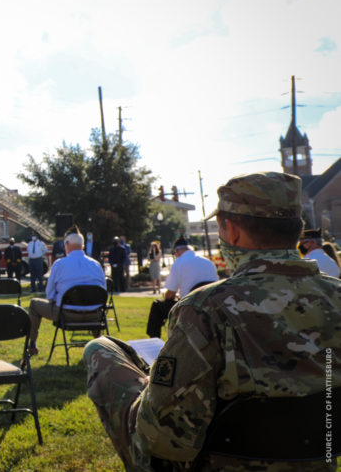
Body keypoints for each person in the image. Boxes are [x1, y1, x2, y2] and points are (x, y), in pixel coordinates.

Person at [84, 171, 341, 471]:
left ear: (230, 231)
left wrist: (148, 388)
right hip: (315, 462)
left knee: (100, 350)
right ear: (296, 231)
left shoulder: (205, 308)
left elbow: (162, 440)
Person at [26, 232, 106, 355]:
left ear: (67, 244)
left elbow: (50, 294)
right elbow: (103, 293)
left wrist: (56, 301)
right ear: (83, 246)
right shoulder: (96, 265)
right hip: (94, 316)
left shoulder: (59, 264)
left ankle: (32, 345)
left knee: (34, 304)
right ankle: (97, 343)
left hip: (67, 315)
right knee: (93, 304)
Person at [145, 237, 218, 339]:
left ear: (177, 251)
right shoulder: (208, 262)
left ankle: (154, 339)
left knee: (157, 306)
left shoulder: (179, 263)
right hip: (212, 306)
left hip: (190, 307)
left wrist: (170, 297)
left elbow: (170, 294)